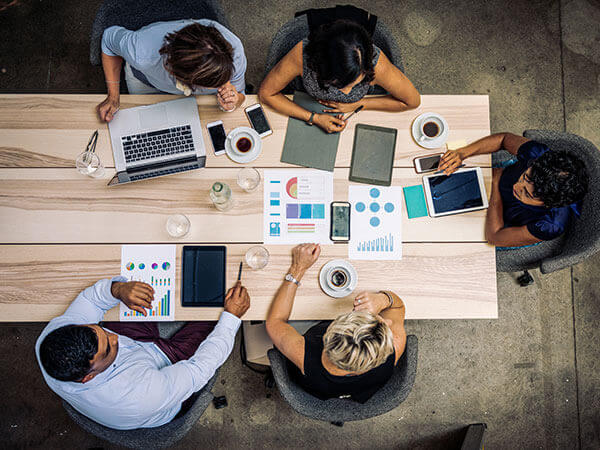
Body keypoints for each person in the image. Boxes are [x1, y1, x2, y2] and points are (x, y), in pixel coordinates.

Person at [35, 277, 250, 430]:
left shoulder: (53, 340)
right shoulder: (140, 395)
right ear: (88, 377)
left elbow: (91, 301)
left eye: (100, 330)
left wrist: (117, 290)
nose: (114, 337)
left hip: (137, 352)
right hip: (160, 377)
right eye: (108, 348)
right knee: (216, 313)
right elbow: (200, 369)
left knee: (142, 289)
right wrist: (231, 317)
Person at [265, 244, 406, 403]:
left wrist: (298, 268)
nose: (386, 320)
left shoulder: (305, 355)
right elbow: (398, 307)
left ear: (328, 332)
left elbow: (275, 322)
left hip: (313, 385)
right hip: (359, 390)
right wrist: (383, 299)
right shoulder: (395, 348)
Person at [258, 20, 420, 134]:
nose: (347, 92)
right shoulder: (303, 56)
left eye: (356, 81)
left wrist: (359, 104)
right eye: (340, 84)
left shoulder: (376, 64)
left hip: (358, 116)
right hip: (306, 103)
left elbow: (413, 101)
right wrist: (314, 118)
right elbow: (266, 93)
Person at [438, 133, 589, 247]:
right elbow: (503, 139)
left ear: (548, 205)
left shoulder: (550, 225)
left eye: (527, 193)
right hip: (494, 181)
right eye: (525, 177)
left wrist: (496, 184)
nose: (517, 186)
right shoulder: (537, 155)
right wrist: (462, 153)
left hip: (506, 224)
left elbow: (495, 237)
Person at [97, 19, 247, 122]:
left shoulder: (235, 53)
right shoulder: (141, 52)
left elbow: (240, 95)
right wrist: (113, 97)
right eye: (216, 83)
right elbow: (109, 39)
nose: (225, 83)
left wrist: (233, 101)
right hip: (147, 82)